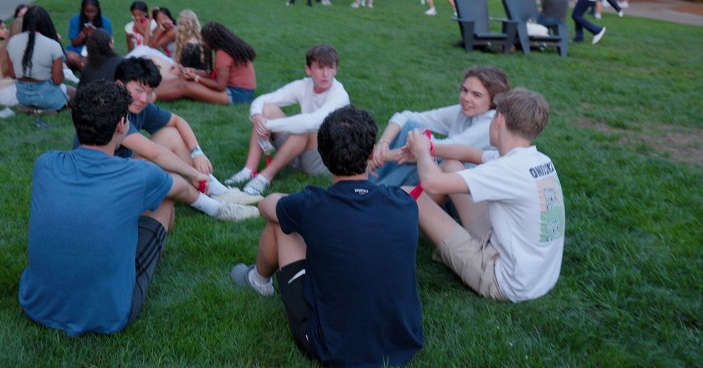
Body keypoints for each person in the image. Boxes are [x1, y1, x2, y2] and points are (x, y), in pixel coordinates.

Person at [18, 81, 247, 337]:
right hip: (107, 314)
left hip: (35, 303)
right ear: (122, 125)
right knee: (164, 201)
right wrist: (204, 188)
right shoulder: (139, 175)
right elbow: (180, 190)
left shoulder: (45, 164)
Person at [231, 106, 424, 366]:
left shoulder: (312, 205)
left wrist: (287, 202)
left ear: (322, 155)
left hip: (332, 345)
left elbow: (266, 206)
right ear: (371, 153)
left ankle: (258, 278)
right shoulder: (404, 203)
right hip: (403, 339)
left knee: (280, 223)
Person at [400, 88, 565, 302]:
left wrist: (422, 151)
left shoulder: (508, 169)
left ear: (499, 120)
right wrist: (431, 146)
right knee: (451, 167)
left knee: (408, 195)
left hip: (504, 280)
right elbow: (471, 154)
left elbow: (432, 182)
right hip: (537, 275)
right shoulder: (537, 159)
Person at [87, 57, 261, 209]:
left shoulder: (138, 105)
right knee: (168, 175)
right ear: (119, 85)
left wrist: (197, 152)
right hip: (103, 186)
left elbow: (178, 121)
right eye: (138, 91)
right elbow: (154, 153)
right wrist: (193, 173)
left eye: (149, 92)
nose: (144, 99)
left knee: (170, 134)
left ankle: (216, 190)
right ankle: (213, 202)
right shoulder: (112, 111)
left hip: (115, 172)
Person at [224, 44, 350, 196]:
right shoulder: (303, 85)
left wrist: (269, 125)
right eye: (320, 67)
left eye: (330, 68)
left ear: (335, 70)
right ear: (308, 69)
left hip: (322, 160)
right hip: (298, 152)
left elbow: (310, 122)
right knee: (268, 110)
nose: (325, 74)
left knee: (303, 128)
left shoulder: (340, 96)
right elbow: (264, 100)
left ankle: (265, 176)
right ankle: (248, 170)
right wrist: (257, 116)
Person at [371, 66, 511, 189]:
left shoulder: (490, 123)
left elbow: (445, 148)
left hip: (463, 193)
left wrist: (384, 156)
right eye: (464, 90)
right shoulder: (464, 111)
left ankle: (374, 192)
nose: (466, 98)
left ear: (494, 100)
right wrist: (384, 144)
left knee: (424, 156)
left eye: (476, 95)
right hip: (444, 175)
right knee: (412, 127)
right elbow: (407, 116)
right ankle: (372, 184)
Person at [154, 21, 256, 105]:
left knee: (185, 87)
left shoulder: (222, 53)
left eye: (204, 40)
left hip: (238, 94)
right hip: (234, 89)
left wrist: (195, 77)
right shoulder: (227, 48)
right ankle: (151, 90)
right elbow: (216, 75)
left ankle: (150, 97)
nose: (203, 43)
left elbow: (219, 85)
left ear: (212, 40)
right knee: (184, 78)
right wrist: (196, 72)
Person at [6, 6, 71, 112]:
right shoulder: (53, 45)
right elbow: (58, 81)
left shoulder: (12, 41)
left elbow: (13, 74)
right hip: (46, 97)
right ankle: (47, 109)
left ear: (25, 21)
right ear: (47, 23)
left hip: (22, 97)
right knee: (74, 93)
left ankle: (34, 109)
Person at [66, 0, 113, 70]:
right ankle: (84, 66)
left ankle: (83, 66)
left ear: (98, 10)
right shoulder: (75, 20)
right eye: (87, 12)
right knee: (70, 56)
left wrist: (96, 35)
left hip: (97, 51)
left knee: (97, 60)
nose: (90, 14)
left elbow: (109, 45)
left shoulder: (105, 22)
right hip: (78, 50)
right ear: (83, 10)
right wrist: (83, 33)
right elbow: (74, 43)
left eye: (93, 12)